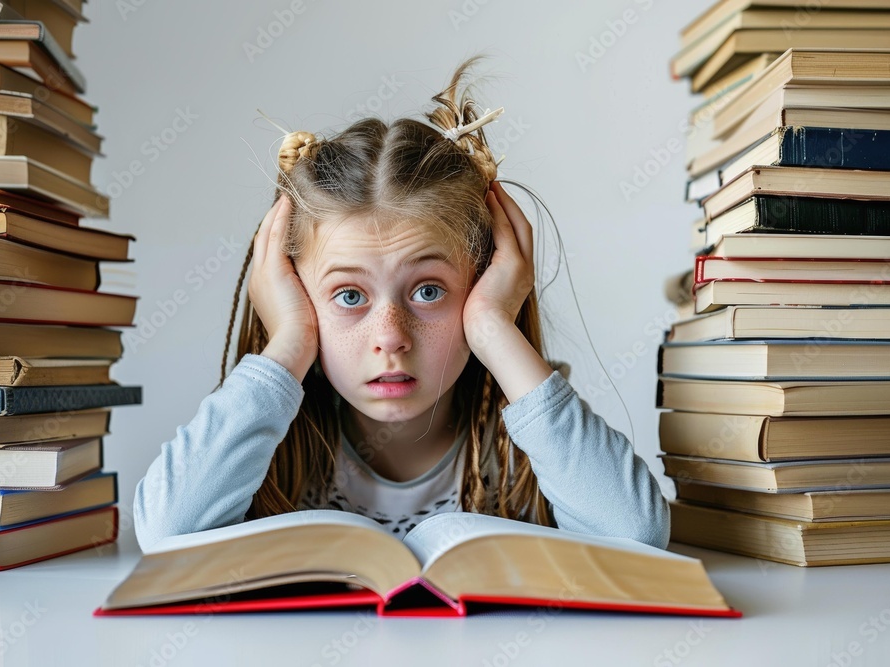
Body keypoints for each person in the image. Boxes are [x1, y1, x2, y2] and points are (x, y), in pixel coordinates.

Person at [133, 56, 669, 553]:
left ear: (483, 283)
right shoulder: (273, 439)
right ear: (293, 293)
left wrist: (494, 328)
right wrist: (290, 339)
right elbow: (165, 534)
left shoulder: (527, 434)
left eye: (428, 291)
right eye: (349, 296)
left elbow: (637, 537)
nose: (390, 336)